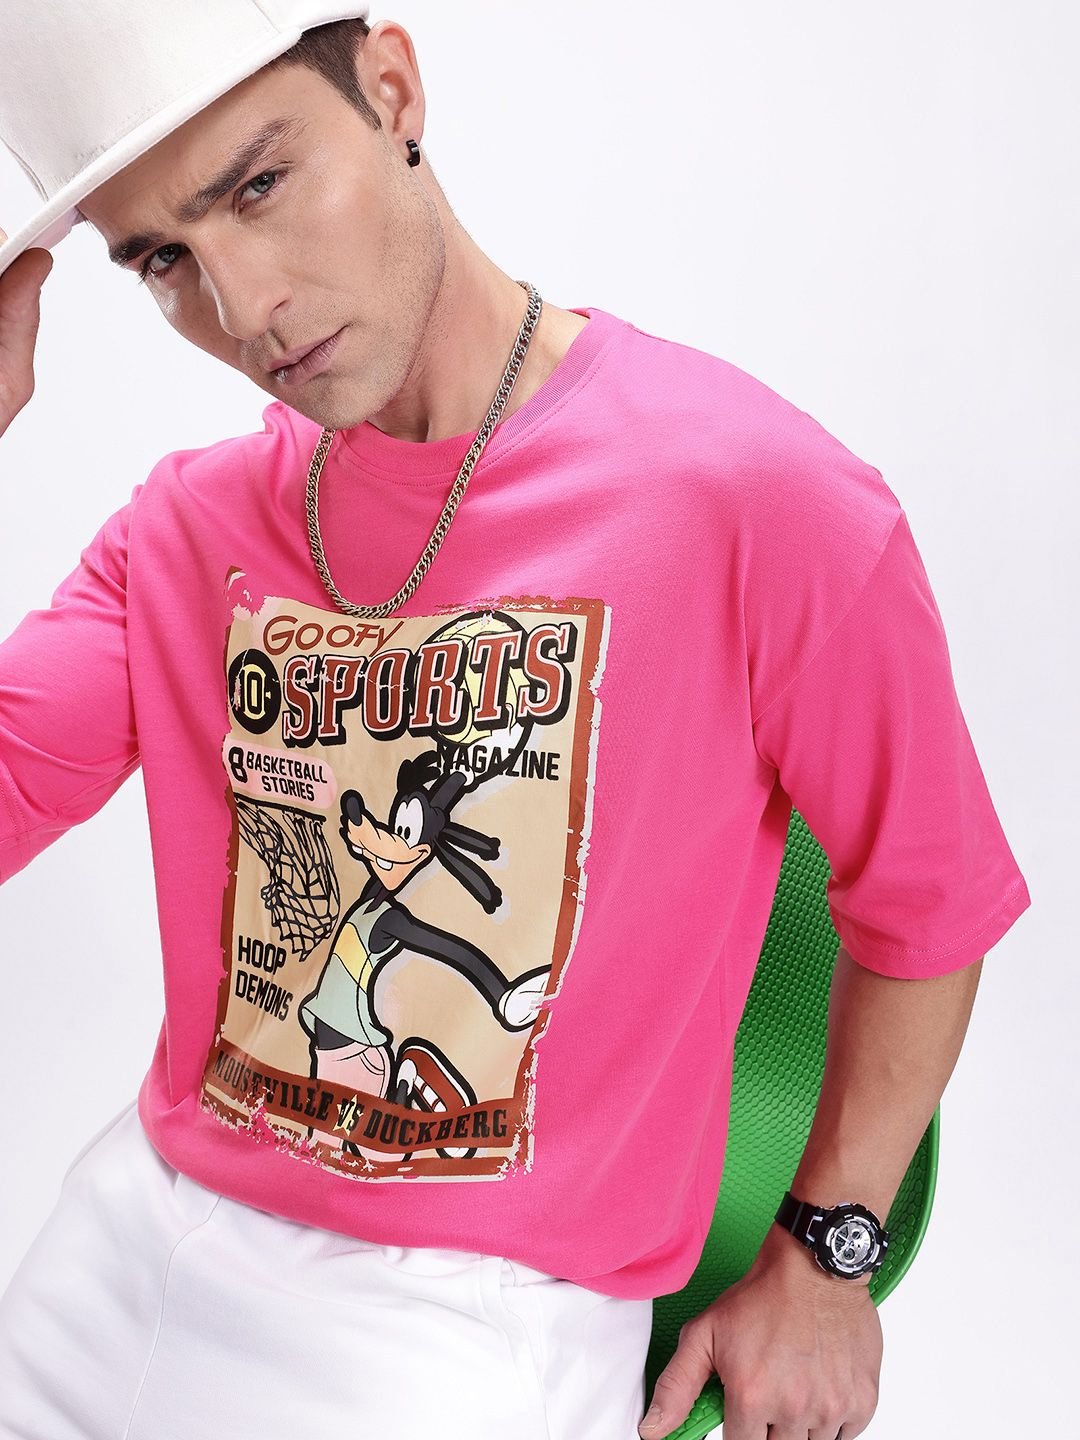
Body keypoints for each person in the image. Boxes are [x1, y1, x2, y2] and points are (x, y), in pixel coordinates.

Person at [0, 5, 1032, 1439]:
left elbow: (929, 902)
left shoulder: (755, 499)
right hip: (123, 1241)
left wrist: (827, 1261)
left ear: (392, 91)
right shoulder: (187, 526)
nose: (241, 306)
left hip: (469, 1323)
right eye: (162, 258)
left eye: (260, 184)